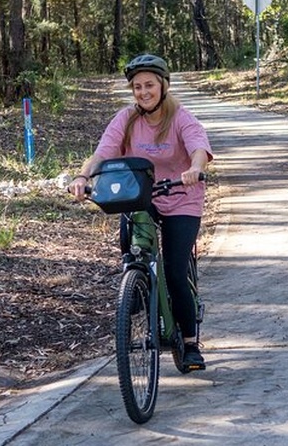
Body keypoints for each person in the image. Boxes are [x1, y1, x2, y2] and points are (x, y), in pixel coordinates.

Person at [68, 53, 213, 370]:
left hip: (180, 196)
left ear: (163, 86)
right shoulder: (126, 119)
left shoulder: (181, 118)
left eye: (149, 85)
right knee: (132, 252)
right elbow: (103, 152)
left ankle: (189, 343)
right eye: (137, 87)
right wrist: (82, 177)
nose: (143, 92)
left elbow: (198, 148)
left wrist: (194, 168)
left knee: (175, 272)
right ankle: (135, 291)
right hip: (141, 196)